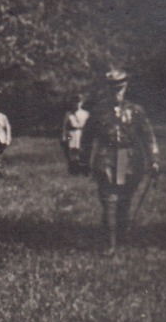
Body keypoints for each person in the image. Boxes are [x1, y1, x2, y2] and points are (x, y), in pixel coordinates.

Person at [82, 67, 159, 255]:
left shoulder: (135, 111)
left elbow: (148, 136)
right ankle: (109, 244)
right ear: (107, 88)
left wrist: (154, 159)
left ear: (126, 87)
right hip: (106, 157)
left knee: (124, 199)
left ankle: (122, 237)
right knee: (109, 199)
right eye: (112, 88)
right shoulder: (99, 111)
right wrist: (83, 160)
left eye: (120, 87)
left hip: (129, 159)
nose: (116, 92)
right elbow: (86, 137)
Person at [61, 94, 91, 175]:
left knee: (82, 151)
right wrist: (64, 136)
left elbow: (89, 126)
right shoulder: (69, 113)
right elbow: (64, 126)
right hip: (72, 133)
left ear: (82, 103)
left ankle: (83, 170)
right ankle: (74, 170)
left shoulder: (86, 113)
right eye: (75, 102)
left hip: (82, 133)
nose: (77, 104)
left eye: (79, 102)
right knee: (73, 151)